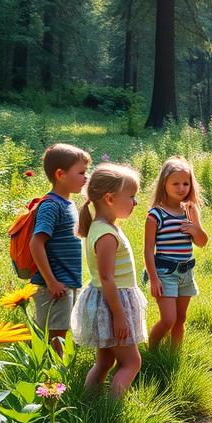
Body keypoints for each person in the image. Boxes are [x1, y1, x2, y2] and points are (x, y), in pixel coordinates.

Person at [72, 163, 147, 397]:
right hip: (113, 304)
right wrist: (119, 315)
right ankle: (113, 409)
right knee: (131, 363)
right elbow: (106, 277)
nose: (135, 202)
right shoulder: (106, 234)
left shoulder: (103, 227)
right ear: (110, 198)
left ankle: (89, 402)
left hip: (107, 301)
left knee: (104, 362)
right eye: (131, 196)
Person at [29, 143, 90, 354]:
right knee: (56, 334)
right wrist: (51, 281)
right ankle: (53, 379)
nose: (86, 177)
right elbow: (36, 243)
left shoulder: (69, 204)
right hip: (53, 284)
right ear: (60, 174)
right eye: (81, 173)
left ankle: (52, 373)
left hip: (67, 281)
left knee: (61, 330)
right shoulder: (51, 205)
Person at [144, 157, 209, 349]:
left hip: (186, 272)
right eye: (176, 183)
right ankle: (152, 351)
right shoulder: (156, 214)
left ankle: (173, 356)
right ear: (164, 184)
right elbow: (148, 250)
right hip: (165, 273)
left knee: (180, 319)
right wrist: (153, 279)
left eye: (186, 183)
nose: (182, 188)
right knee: (168, 320)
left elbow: (202, 242)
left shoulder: (190, 211)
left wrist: (195, 230)